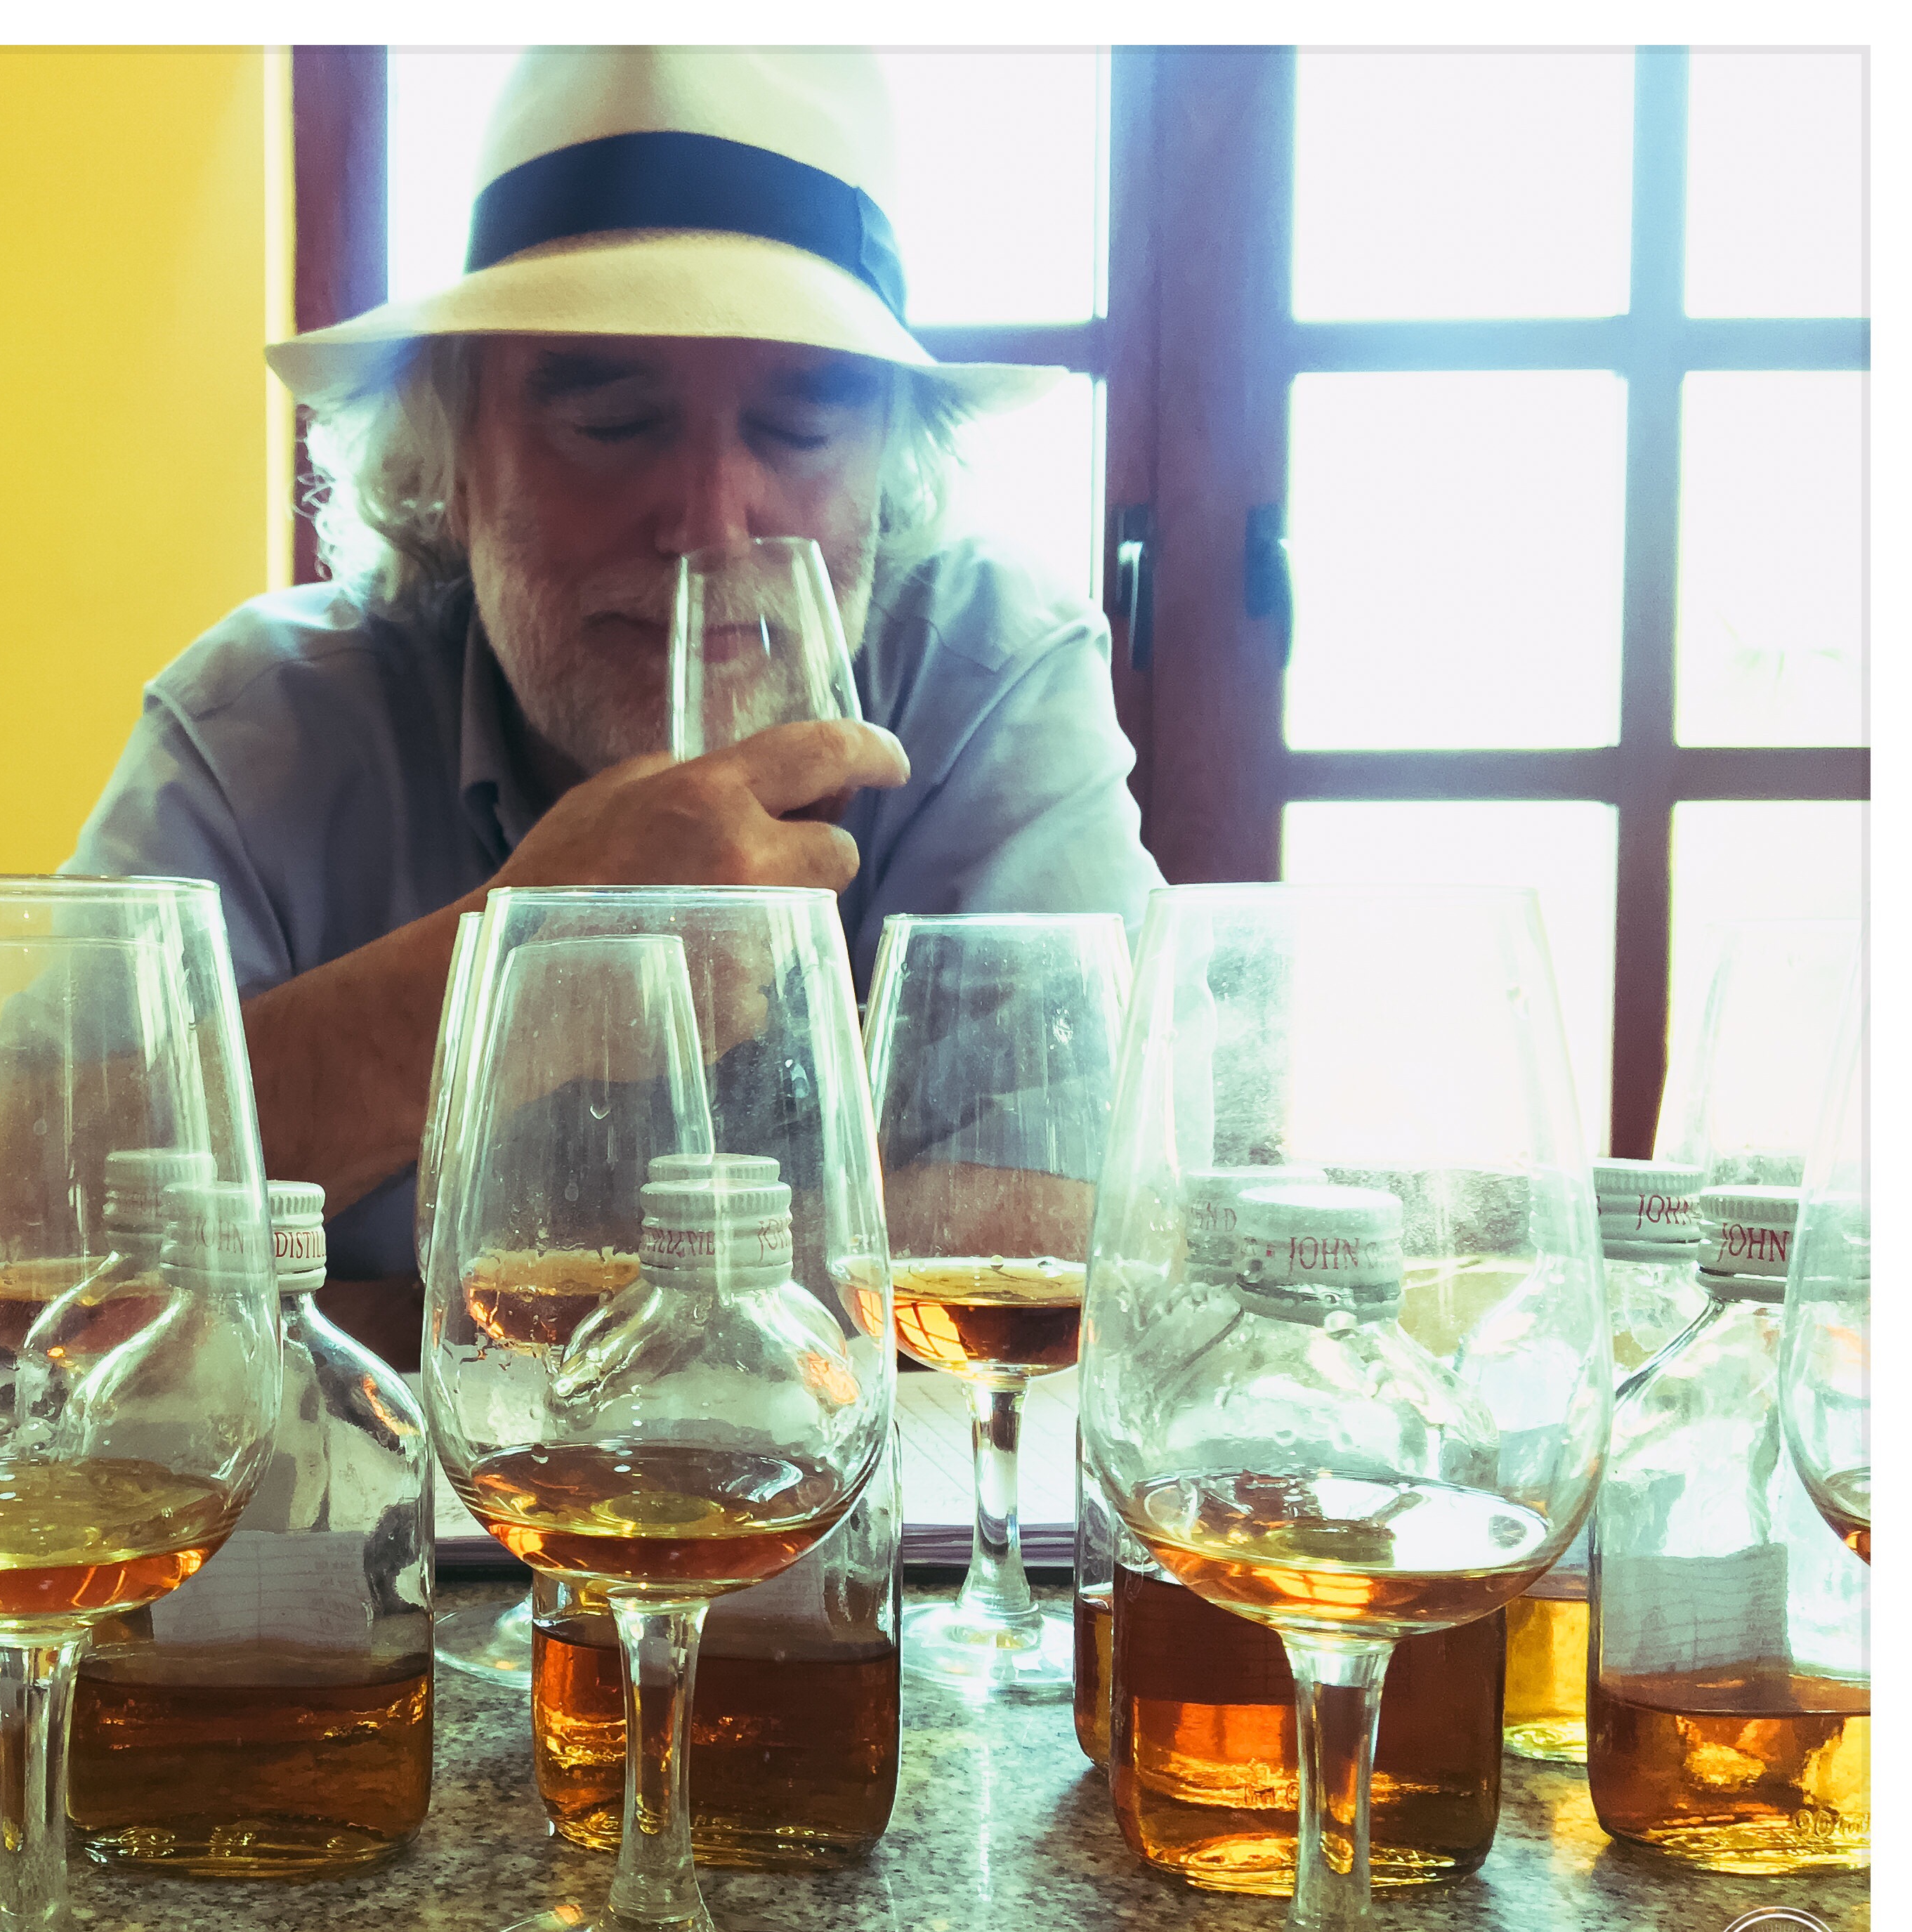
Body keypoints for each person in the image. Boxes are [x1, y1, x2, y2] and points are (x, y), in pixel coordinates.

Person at [67, 47, 1165, 1355]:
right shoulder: (263, 727)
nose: (708, 523)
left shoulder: (986, 676)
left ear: (887, 466)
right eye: (614, 422)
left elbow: (1107, 1218)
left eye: (798, 431)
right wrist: (520, 973)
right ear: (452, 458)